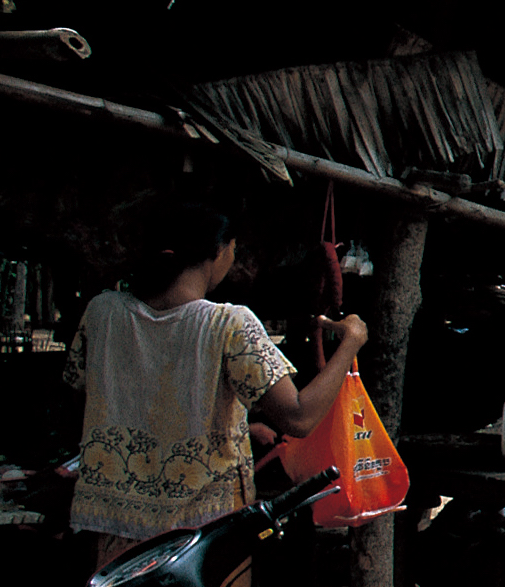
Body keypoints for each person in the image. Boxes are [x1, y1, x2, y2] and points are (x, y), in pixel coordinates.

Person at [70, 201, 367, 562]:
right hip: (202, 540)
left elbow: (100, 390)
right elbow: (298, 418)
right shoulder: (229, 325)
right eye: (234, 249)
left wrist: (241, 423)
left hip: (116, 532)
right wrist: (351, 340)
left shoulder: (102, 312)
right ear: (219, 250)